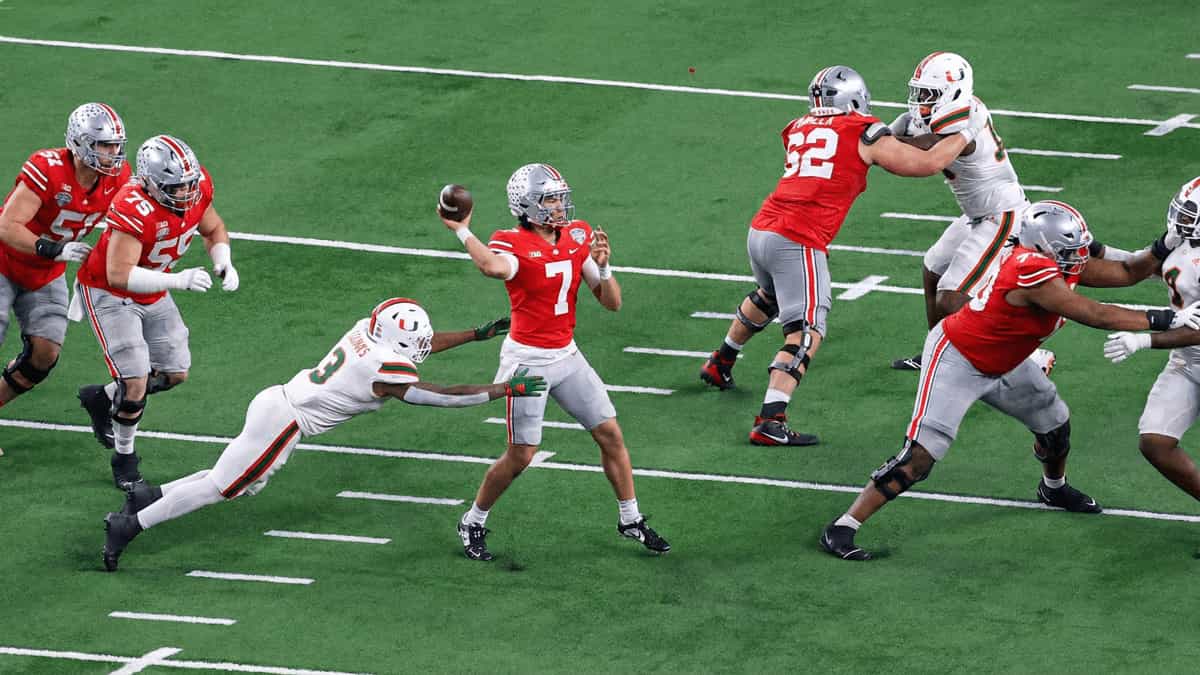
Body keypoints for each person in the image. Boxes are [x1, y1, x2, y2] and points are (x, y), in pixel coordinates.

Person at [820, 200, 1199, 561]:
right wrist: (1163, 319)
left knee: (1055, 427)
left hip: (1007, 360)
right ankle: (844, 525)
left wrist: (1163, 245)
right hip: (959, 359)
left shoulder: (1053, 260)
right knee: (920, 456)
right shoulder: (1031, 269)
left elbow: (1127, 272)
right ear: (1043, 247)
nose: (1080, 259)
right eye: (1070, 251)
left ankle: (1053, 489)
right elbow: (1092, 313)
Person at [101, 298, 532, 571]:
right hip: (287, 420)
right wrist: (502, 390)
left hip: (279, 402)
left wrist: (474, 336)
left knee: (236, 482)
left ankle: (147, 497)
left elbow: (420, 345)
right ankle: (132, 524)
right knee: (224, 487)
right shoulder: (385, 369)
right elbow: (441, 395)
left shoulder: (369, 329)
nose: (423, 343)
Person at [698, 65, 987, 447]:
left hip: (762, 229)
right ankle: (771, 419)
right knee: (806, 331)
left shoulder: (797, 126)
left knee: (769, 297)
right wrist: (969, 130)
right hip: (798, 237)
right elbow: (926, 164)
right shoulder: (862, 132)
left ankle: (721, 361)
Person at [441, 163, 670, 561]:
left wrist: (603, 264)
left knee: (611, 434)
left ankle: (630, 518)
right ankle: (473, 520)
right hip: (528, 362)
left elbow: (612, 302)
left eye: (560, 197)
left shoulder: (577, 236)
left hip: (568, 354)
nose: (560, 205)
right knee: (521, 455)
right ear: (527, 204)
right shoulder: (510, 242)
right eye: (550, 198)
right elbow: (492, 267)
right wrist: (462, 230)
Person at [888, 52, 1128, 372]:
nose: (920, 101)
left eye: (928, 94)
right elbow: (890, 137)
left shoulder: (964, 116)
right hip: (977, 214)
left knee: (952, 297)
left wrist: (880, 139)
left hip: (1001, 215)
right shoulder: (930, 115)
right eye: (920, 92)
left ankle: (1028, 360)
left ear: (954, 91)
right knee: (932, 268)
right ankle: (936, 351)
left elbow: (925, 150)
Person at [75, 134, 239, 490]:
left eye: (188, 184)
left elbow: (212, 228)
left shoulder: (195, 189)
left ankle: (101, 397)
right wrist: (177, 280)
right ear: (150, 183)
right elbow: (119, 273)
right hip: (110, 291)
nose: (185, 192)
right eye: (175, 186)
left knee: (175, 372)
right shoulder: (134, 206)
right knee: (134, 382)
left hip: (153, 289)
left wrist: (223, 258)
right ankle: (125, 457)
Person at [0, 103, 130, 412]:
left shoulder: (118, 178)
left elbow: (124, 229)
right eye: (104, 145)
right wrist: (55, 249)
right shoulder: (47, 168)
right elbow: (7, 225)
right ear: (79, 142)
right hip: (5, 260)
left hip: (46, 274)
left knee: (44, 355)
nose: (112, 152)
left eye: (115, 145)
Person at [1102, 176, 1200, 503]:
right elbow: (1136, 265)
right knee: (1155, 442)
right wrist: (1092, 248)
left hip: (1190, 346)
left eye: (1189, 215)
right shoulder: (1183, 242)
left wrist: (1145, 341)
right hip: (1188, 360)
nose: (1180, 219)